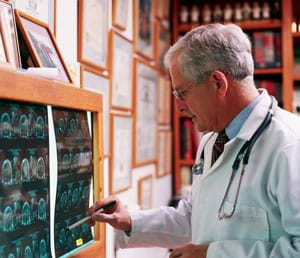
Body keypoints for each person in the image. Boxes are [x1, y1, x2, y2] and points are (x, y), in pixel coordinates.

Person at [88, 23, 300, 257]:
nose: (178, 106)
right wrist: (130, 221)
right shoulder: (212, 142)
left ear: (218, 83)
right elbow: (196, 217)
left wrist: (211, 255)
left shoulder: (290, 145)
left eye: (182, 93)